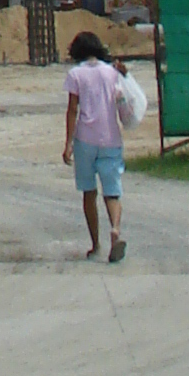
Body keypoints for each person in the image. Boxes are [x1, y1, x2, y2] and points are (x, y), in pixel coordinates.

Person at [63, 30, 128, 260]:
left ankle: (95, 244)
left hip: (85, 139)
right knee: (112, 192)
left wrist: (68, 143)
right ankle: (116, 230)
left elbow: (72, 110)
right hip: (111, 138)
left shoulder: (75, 74)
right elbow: (122, 98)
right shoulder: (111, 72)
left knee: (88, 193)